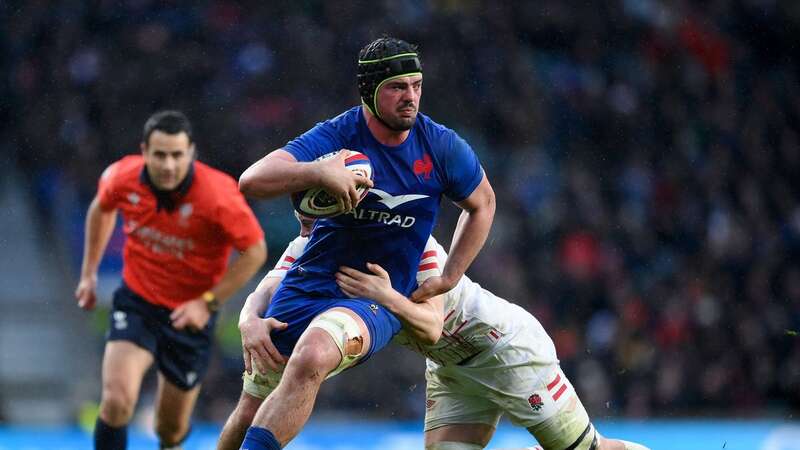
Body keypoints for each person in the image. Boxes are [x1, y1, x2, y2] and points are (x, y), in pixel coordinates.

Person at [234, 36, 496, 450]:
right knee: (251, 406)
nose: (410, 97)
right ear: (370, 91)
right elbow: (250, 181)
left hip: (373, 292)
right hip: (312, 281)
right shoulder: (338, 135)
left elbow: (482, 203)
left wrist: (450, 275)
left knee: (314, 354)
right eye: (397, 87)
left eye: (416, 85)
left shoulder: (441, 145)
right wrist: (319, 174)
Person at [227, 218, 650, 450]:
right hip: (451, 370)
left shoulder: (411, 241)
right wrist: (250, 318)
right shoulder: (312, 243)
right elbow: (266, 290)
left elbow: (430, 327)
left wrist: (385, 296)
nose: (309, 220)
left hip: (504, 350)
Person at [75, 110, 267, 450]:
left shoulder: (218, 195)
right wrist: (88, 274)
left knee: (169, 430)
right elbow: (101, 207)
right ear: (144, 151)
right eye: (159, 154)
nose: (168, 165)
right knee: (117, 401)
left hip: (190, 316)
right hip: (138, 302)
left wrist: (207, 302)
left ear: (190, 153)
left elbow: (255, 251)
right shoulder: (123, 176)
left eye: (177, 155)